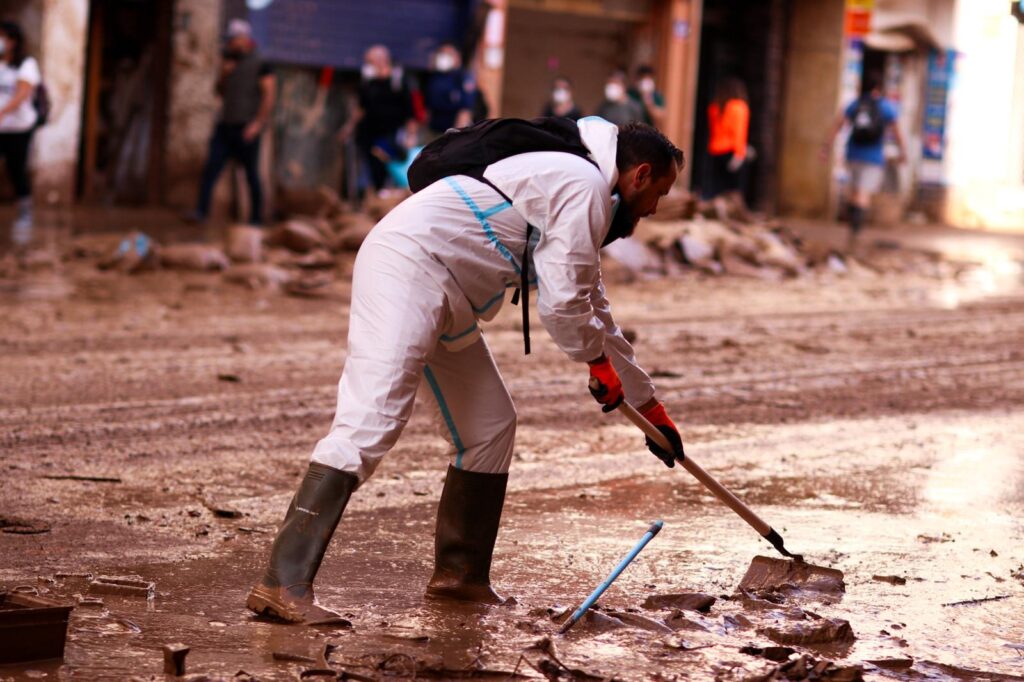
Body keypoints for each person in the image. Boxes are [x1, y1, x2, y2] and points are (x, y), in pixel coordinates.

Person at [245, 118, 686, 623]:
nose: (653, 209)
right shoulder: (582, 183)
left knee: (490, 425)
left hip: (448, 290)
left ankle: (460, 578)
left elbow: (591, 301)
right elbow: (564, 304)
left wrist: (649, 404)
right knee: (371, 420)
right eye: (659, 193)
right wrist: (594, 361)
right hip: (408, 269)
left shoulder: (584, 187)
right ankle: (281, 582)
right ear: (640, 174)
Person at [190, 19, 275, 225]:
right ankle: (201, 212)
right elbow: (218, 92)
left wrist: (257, 124)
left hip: (247, 127)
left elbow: (269, 96)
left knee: (251, 175)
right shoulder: (228, 60)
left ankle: (256, 219)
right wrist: (224, 73)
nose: (230, 44)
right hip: (225, 125)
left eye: (233, 40)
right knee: (211, 169)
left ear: (243, 39)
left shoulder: (261, 62)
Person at [822, 72, 906, 247]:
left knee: (854, 192)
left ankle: (852, 229)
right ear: (879, 88)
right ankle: (855, 232)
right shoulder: (886, 106)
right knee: (863, 194)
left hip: (853, 154)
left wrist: (826, 147)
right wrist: (902, 152)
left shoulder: (855, 104)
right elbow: (897, 132)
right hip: (873, 157)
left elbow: (838, 124)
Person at [339, 45, 420, 197]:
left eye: (371, 62)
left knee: (391, 167)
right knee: (371, 169)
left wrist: (410, 135)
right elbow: (361, 108)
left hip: (391, 134)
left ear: (383, 61)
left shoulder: (400, 81)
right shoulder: (368, 82)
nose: (368, 65)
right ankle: (375, 197)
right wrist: (349, 127)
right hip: (369, 134)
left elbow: (412, 113)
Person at [0, 21, 40, 247]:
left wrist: (3, 112)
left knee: (17, 168)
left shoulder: (26, 64)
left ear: (13, 41)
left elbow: (23, 92)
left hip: (19, 127)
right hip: (1, 127)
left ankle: (25, 210)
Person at [705, 76, 750, 219]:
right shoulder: (739, 107)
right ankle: (733, 216)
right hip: (731, 151)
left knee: (717, 188)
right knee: (734, 191)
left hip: (715, 150)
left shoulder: (714, 107)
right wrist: (740, 154)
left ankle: (717, 215)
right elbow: (739, 133)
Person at [423, 43, 476, 138]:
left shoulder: (462, 77)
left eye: (448, 54)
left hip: (453, 133)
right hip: (434, 130)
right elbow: (429, 108)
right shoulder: (435, 78)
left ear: (457, 57)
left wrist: (456, 136)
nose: (444, 57)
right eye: (442, 53)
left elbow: (465, 111)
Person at [628, 65, 666, 129]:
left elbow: (660, 116)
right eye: (643, 78)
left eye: (648, 79)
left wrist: (649, 103)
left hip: (649, 131)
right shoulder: (631, 94)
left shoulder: (657, 96)